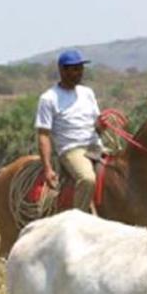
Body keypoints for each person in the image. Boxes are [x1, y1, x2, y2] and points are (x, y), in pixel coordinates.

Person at [35, 49, 107, 213]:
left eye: (80, 68)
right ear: (62, 70)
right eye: (74, 69)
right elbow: (43, 135)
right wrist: (47, 168)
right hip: (72, 150)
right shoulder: (49, 98)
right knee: (87, 179)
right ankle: (77, 220)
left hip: (96, 146)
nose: (79, 73)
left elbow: (97, 125)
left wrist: (102, 125)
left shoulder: (87, 93)